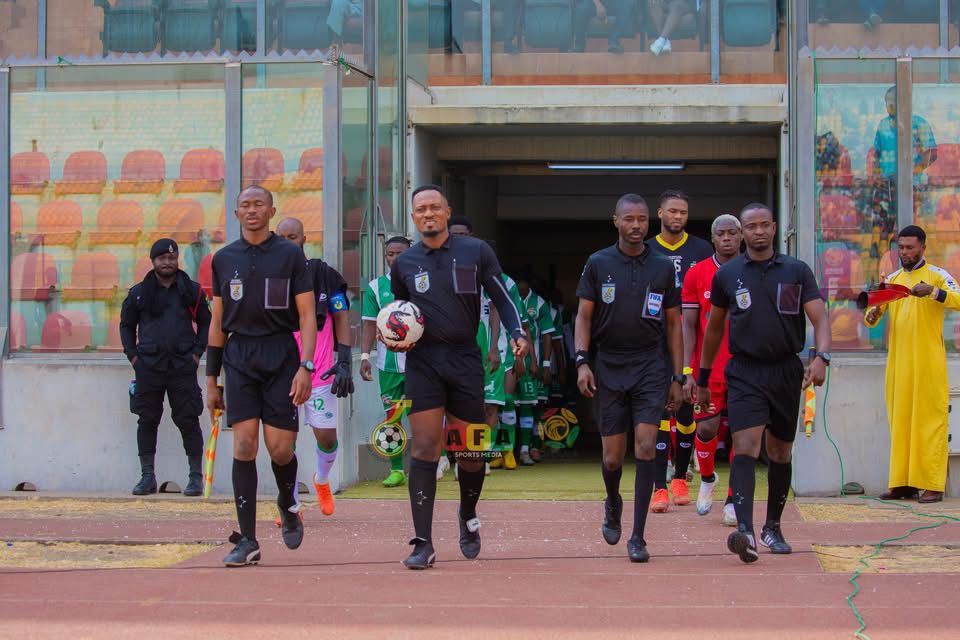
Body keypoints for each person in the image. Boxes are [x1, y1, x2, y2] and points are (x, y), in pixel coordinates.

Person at [387, 185, 528, 570]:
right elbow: (400, 313)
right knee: (425, 447)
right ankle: (423, 542)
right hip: (423, 363)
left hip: (467, 361)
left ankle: (467, 512)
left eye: (435, 207)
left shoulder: (476, 251)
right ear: (413, 217)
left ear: (447, 212)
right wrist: (395, 339)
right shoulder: (404, 264)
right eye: (421, 209)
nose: (428, 214)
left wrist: (517, 332)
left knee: (470, 451)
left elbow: (502, 297)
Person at [696, 203, 830, 564]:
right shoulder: (728, 275)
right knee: (745, 445)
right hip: (745, 371)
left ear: (773, 228)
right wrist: (703, 377)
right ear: (742, 232)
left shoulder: (797, 271)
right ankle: (746, 531)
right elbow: (714, 329)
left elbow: (820, 317)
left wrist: (821, 357)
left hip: (785, 370)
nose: (756, 231)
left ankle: (773, 526)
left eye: (763, 225)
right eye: (749, 226)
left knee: (780, 452)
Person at [205, 185, 318, 567]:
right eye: (245, 205)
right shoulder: (223, 259)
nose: (252, 210)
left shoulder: (290, 255)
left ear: (271, 211)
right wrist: (211, 379)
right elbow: (217, 321)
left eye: (258, 204)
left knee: (280, 449)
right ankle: (248, 540)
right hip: (239, 357)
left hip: (281, 356)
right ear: (236, 213)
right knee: (244, 446)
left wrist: (306, 366)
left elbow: (306, 316)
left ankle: (288, 503)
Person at [575, 193, 684, 563]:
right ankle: (612, 500)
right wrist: (581, 362)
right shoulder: (598, 262)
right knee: (612, 457)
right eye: (629, 219)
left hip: (650, 366)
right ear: (616, 221)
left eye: (641, 219)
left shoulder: (663, 267)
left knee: (646, 444)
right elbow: (584, 317)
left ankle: (638, 536)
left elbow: (674, 324)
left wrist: (677, 375)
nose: (636, 225)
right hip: (608, 364)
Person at [865, 225, 960, 504]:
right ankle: (903, 483)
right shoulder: (892, 278)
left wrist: (933, 292)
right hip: (899, 362)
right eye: (901, 248)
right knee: (901, 419)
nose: (904, 253)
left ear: (923, 248)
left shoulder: (937, 275)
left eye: (910, 248)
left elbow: (958, 299)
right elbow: (873, 317)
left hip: (929, 361)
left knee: (930, 420)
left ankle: (931, 484)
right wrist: (873, 312)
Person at [276, 217, 354, 517]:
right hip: (280, 373)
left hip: (320, 373)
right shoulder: (269, 277)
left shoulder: (324, 275)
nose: (287, 242)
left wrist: (344, 362)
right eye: (281, 237)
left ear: (304, 238)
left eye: (292, 236)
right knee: (285, 442)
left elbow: (341, 317)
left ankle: (321, 481)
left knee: (327, 437)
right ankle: (290, 501)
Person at [120, 239, 210, 497]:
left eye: (172, 258)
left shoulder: (191, 291)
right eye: (162, 258)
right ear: (154, 261)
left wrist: (196, 354)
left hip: (183, 366)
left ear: (177, 259)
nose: (168, 262)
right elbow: (126, 325)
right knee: (147, 420)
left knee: (188, 420)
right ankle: (147, 477)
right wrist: (133, 357)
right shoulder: (139, 292)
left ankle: (195, 478)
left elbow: (206, 323)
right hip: (148, 367)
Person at [646, 189, 713, 512]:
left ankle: (680, 479)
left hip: (691, 342)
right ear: (660, 214)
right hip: (655, 343)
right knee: (659, 411)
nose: (677, 217)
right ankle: (659, 485)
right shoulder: (645, 250)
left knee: (687, 411)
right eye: (672, 211)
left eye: (683, 212)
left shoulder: (702, 249)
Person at [449, 219, 528, 473]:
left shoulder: (503, 281)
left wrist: (498, 349)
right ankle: (465, 455)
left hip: (497, 349)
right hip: (462, 349)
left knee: (492, 404)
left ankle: (489, 452)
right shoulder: (453, 272)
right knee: (464, 406)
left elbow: (502, 313)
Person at [680, 214, 742, 525]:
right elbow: (689, 325)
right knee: (706, 428)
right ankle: (707, 478)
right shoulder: (697, 274)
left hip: (746, 367)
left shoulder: (753, 270)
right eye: (722, 234)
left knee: (743, 437)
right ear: (713, 238)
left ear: (741, 237)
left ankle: (733, 499)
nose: (728, 238)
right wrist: (688, 369)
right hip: (710, 369)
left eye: (733, 233)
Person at [361, 236, 413, 488]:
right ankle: (397, 470)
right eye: (390, 254)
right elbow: (369, 324)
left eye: (400, 253)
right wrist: (364, 356)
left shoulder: (421, 282)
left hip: (419, 363)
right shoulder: (375, 287)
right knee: (392, 417)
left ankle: (436, 461)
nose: (394, 258)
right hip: (388, 365)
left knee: (424, 415)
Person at [871, 85, 937, 224]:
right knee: (884, 226)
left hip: (913, 184)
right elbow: (876, 154)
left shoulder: (919, 124)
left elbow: (931, 154)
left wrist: (912, 173)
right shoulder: (883, 124)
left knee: (912, 225)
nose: (889, 105)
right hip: (887, 185)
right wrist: (876, 173)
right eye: (886, 101)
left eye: (892, 101)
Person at [515, 271, 556, 465]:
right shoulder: (507, 297)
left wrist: (545, 364)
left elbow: (548, 334)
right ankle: (506, 449)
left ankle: (532, 446)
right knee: (505, 405)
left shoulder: (539, 304)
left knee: (534, 405)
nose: (521, 292)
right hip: (509, 360)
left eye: (524, 289)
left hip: (533, 363)